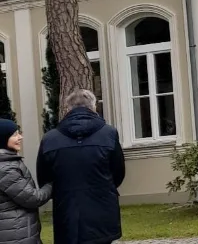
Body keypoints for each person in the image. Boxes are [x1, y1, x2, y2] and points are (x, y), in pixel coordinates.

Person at [38, 90, 126, 244]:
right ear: (93, 107)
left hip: (67, 211)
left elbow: (44, 178)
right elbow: (118, 171)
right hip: (103, 209)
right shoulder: (109, 133)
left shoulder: (50, 139)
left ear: (68, 109)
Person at [0, 119, 52, 244]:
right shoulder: (5, 169)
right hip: (16, 235)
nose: (20, 137)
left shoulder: (9, 162)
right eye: (14, 134)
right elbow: (33, 198)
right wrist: (52, 184)